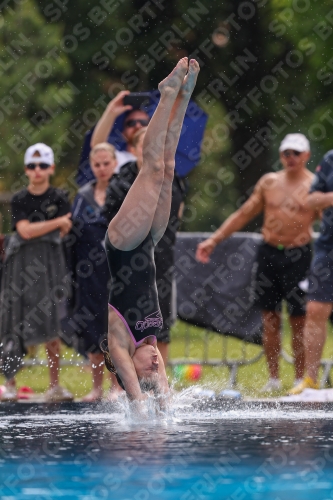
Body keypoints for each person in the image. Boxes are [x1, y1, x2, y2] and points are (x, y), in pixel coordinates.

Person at [101, 57, 200, 401]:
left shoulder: (120, 341)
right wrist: (162, 396)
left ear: (128, 365)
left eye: (150, 369)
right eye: (158, 370)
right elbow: (163, 394)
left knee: (153, 168)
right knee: (169, 168)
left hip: (123, 244)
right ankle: (183, 95)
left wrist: (141, 401)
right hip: (149, 243)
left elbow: (137, 397)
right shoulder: (151, 341)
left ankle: (166, 93)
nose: (157, 365)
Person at [196, 133, 319, 392]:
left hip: (299, 255)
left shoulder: (315, 185)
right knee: (270, 319)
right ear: (281, 155)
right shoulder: (269, 182)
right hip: (269, 252)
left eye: (296, 153)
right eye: (287, 153)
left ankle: (300, 378)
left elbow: (325, 219)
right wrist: (214, 240)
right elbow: (244, 214)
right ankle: (273, 378)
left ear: (306, 156)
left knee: (299, 319)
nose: (291, 158)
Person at [92, 91, 186, 368]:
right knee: (123, 322)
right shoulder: (122, 173)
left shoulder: (171, 174)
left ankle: (159, 377)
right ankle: (120, 381)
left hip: (158, 253)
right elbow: (98, 148)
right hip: (128, 254)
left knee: (159, 322)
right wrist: (112, 110)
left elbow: (174, 213)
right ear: (132, 150)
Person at [0, 143, 73, 402]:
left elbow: (65, 230)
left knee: (50, 324)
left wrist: (38, 228)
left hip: (49, 266)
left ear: (51, 168)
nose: (38, 170)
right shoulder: (20, 198)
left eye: (43, 165)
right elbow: (24, 231)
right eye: (32, 166)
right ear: (26, 170)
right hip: (20, 266)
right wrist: (54, 224)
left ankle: (54, 386)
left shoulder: (60, 196)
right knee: (13, 322)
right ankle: (9, 383)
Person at [70, 142, 123, 401]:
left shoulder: (123, 191)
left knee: (114, 328)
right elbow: (73, 235)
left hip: (117, 270)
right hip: (87, 272)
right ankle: (96, 387)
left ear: (114, 163)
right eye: (97, 164)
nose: (102, 169)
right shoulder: (82, 197)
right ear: (91, 166)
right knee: (92, 328)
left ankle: (116, 385)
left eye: (106, 163)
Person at [290, 150, 333, 394]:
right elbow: (312, 200)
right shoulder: (330, 159)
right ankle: (311, 379)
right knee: (315, 308)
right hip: (328, 246)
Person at [91, 90, 150, 171]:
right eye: (131, 123)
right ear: (123, 133)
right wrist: (111, 112)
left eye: (143, 122)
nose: (138, 125)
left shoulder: (162, 156)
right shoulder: (117, 159)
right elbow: (98, 146)